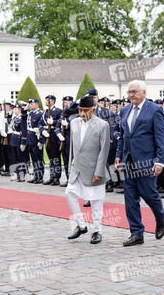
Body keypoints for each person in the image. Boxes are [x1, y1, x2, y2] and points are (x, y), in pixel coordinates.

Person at [115, 80, 164, 246]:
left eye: (134, 92)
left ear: (144, 92)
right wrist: (118, 156)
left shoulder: (155, 110)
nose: (131, 95)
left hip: (146, 161)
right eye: (129, 92)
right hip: (128, 161)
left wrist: (160, 160)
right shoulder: (124, 110)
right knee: (130, 198)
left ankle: (160, 218)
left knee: (149, 194)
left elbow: (160, 137)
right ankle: (136, 233)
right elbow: (124, 136)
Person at [66, 95, 110, 244]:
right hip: (77, 167)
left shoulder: (102, 125)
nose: (83, 113)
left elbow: (104, 151)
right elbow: (72, 147)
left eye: (86, 110)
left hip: (93, 169)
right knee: (69, 193)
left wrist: (99, 172)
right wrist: (70, 167)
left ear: (93, 110)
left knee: (96, 201)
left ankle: (97, 231)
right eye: (80, 110)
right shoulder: (74, 123)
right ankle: (81, 225)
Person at [40, 95, 62, 186]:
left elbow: (60, 122)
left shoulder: (58, 111)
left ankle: (57, 177)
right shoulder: (45, 112)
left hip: (53, 137)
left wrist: (53, 122)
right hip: (47, 137)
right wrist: (43, 131)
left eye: (47, 100)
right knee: (50, 158)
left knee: (55, 158)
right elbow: (40, 123)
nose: (46, 102)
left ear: (52, 101)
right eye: (45, 100)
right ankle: (52, 176)